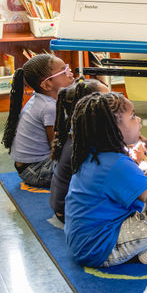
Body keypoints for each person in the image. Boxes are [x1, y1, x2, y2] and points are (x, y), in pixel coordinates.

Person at [64, 92, 147, 267]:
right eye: (133, 117)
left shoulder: (97, 155)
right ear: (114, 129)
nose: (139, 120)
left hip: (88, 245)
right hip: (101, 249)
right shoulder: (116, 164)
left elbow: (143, 188)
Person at [2, 53, 75, 188]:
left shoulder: (42, 98)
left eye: (67, 68)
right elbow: (58, 147)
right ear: (47, 84)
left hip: (29, 167)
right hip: (36, 171)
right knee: (89, 165)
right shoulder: (49, 108)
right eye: (63, 72)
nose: (70, 74)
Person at [48, 78, 110, 222]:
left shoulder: (74, 131)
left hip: (62, 206)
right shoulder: (86, 142)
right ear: (91, 109)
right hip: (72, 212)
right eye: (107, 100)